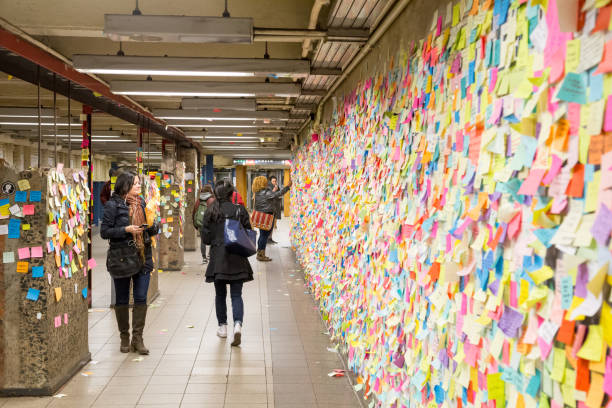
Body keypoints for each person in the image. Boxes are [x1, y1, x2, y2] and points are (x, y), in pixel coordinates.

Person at [101, 171, 159, 355]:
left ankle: (138, 338)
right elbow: (105, 231)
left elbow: (151, 228)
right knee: (122, 299)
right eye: (135, 183)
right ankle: (124, 337)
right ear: (125, 186)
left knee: (141, 297)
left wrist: (152, 226)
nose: (139, 186)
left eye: (139, 183)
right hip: (122, 257)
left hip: (143, 255)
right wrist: (126, 229)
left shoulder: (143, 203)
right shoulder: (113, 205)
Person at [201, 179, 253, 346]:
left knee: (220, 294)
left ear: (216, 194)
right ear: (232, 194)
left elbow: (206, 239)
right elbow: (248, 230)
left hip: (218, 259)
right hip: (237, 256)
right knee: (237, 295)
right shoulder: (239, 210)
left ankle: (222, 327)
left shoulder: (211, 211)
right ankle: (237, 325)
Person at [252, 175, 291, 262]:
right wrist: (287, 187)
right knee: (264, 235)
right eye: (265, 181)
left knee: (262, 235)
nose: (267, 182)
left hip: (261, 216)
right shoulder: (265, 192)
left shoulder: (257, 192)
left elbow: (270, 197)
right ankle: (261, 255)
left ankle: (260, 253)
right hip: (267, 216)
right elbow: (278, 194)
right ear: (262, 183)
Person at [193, 185, 215, 264]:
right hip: (211, 223)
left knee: (203, 241)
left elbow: (194, 212)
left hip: (200, 224)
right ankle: (210, 254)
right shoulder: (212, 200)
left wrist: (195, 225)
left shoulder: (198, 201)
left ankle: (204, 258)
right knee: (212, 239)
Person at [267, 175, 282, 245]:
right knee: (269, 224)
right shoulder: (268, 187)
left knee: (272, 224)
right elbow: (269, 196)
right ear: (270, 181)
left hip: (275, 206)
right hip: (269, 208)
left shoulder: (277, 187)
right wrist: (274, 190)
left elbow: (279, 194)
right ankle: (267, 238)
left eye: (275, 181)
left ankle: (270, 238)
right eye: (273, 181)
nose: (274, 182)